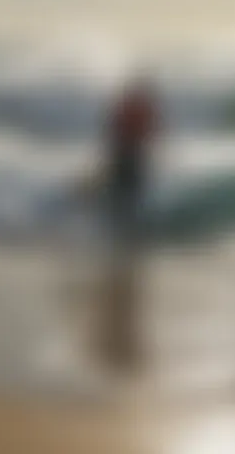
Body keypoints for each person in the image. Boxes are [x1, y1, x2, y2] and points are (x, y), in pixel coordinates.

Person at [97, 74, 159, 374]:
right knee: (127, 203)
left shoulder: (131, 107)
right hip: (129, 157)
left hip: (126, 156)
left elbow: (117, 131)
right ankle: (124, 248)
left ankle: (121, 245)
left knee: (124, 204)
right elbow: (148, 132)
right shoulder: (136, 107)